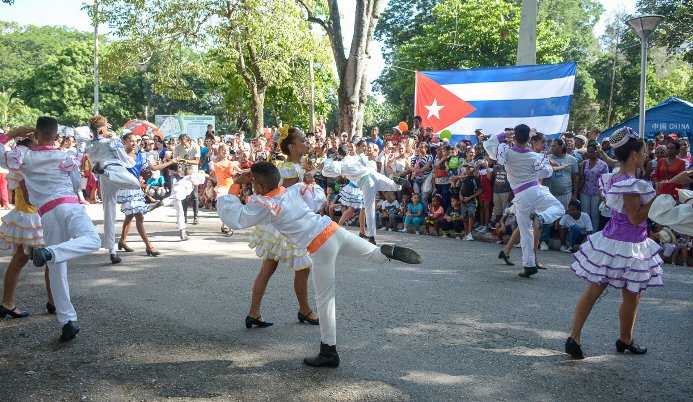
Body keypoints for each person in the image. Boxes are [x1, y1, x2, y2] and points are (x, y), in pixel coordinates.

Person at [217, 161, 422, 368]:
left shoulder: (267, 206)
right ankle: (387, 251)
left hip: (321, 246)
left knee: (325, 299)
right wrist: (309, 178)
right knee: (373, 255)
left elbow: (236, 218)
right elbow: (316, 198)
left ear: (258, 187)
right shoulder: (292, 191)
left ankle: (328, 352)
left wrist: (235, 185)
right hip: (333, 230)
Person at [566, 126, 663, 359]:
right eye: (643, 152)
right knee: (630, 293)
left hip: (613, 240)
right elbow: (636, 217)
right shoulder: (629, 182)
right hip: (627, 244)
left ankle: (579, 337)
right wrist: (657, 197)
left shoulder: (614, 177)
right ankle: (623, 338)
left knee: (597, 291)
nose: (646, 156)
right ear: (634, 156)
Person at [0, 119, 101, 342]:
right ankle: (51, 254)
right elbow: (75, 185)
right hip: (68, 206)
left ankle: (67, 321)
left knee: (57, 268)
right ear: (56, 137)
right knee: (93, 241)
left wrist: (10, 135)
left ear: (37, 133)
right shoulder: (66, 156)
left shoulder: (24, 157)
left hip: (46, 214)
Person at [244, 127, 320, 328]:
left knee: (270, 268)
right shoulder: (289, 169)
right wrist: (308, 176)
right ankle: (304, 310)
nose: (307, 143)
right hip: (286, 226)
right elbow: (282, 191)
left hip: (282, 224)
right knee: (303, 268)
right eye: (303, 140)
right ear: (293, 146)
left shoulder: (295, 166)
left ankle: (254, 312)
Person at [483, 124, 564, 277]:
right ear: (529, 138)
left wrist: (506, 134)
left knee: (525, 231)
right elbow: (546, 173)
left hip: (520, 195)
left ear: (514, 136)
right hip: (536, 190)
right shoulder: (535, 156)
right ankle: (542, 217)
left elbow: (488, 144)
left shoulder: (506, 153)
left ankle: (529, 265)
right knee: (559, 208)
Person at [0, 148, 55, 319]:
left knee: (23, 260)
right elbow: (30, 198)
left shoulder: (27, 168)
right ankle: (53, 302)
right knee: (49, 260)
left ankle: (8, 303)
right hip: (31, 218)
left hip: (31, 217)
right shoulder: (24, 170)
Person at [84, 116, 141, 264]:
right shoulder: (110, 142)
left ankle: (112, 251)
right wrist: (114, 137)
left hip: (103, 176)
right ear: (102, 129)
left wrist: (104, 132)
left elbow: (92, 147)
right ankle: (112, 250)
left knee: (109, 212)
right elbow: (127, 160)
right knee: (135, 183)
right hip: (114, 170)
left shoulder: (89, 145)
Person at [321, 144, 401, 244]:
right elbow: (366, 161)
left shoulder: (341, 164)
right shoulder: (356, 157)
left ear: (340, 155)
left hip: (366, 182)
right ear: (348, 152)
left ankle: (372, 236)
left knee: (369, 209)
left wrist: (330, 159)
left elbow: (325, 172)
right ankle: (397, 184)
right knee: (393, 186)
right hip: (373, 174)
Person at [115, 132, 165, 257]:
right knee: (139, 216)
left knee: (130, 215)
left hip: (136, 188)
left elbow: (152, 168)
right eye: (131, 141)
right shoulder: (120, 156)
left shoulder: (140, 156)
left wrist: (171, 162)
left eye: (135, 141)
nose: (133, 143)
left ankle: (122, 240)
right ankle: (149, 246)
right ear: (124, 141)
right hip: (126, 188)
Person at [578, 140, 609, 230]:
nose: (590, 154)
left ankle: (594, 233)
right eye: (588, 152)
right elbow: (581, 177)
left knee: (595, 214)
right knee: (585, 213)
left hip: (596, 192)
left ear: (597, 152)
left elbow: (605, 180)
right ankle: (585, 233)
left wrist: (603, 193)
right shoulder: (584, 163)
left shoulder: (603, 165)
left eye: (592, 152)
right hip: (584, 191)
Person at [173, 134, 201, 225]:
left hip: (193, 174)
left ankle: (195, 216)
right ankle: (184, 216)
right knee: (183, 196)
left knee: (194, 195)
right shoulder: (177, 148)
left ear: (189, 141)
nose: (183, 146)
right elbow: (176, 160)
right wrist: (178, 167)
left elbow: (197, 161)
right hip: (183, 173)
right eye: (181, 143)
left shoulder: (195, 146)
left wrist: (186, 161)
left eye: (184, 143)